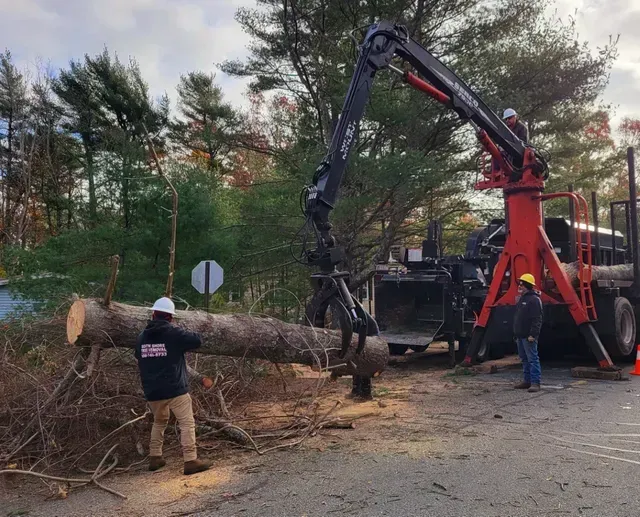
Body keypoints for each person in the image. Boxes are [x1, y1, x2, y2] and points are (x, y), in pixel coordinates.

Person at [135, 296, 211, 475]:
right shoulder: (173, 333)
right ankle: (190, 460)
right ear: (170, 317)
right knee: (186, 423)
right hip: (175, 389)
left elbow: (138, 356)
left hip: (152, 391)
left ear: (153, 314)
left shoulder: (141, 337)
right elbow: (197, 340)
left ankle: (155, 457)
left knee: (159, 422)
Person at [513, 274, 543, 392]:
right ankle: (527, 381)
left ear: (527, 285)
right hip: (521, 335)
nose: (519, 286)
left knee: (532, 359)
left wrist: (533, 334)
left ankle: (535, 382)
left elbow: (537, 319)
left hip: (528, 336)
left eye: (521, 284)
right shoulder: (523, 299)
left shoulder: (534, 300)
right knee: (524, 359)